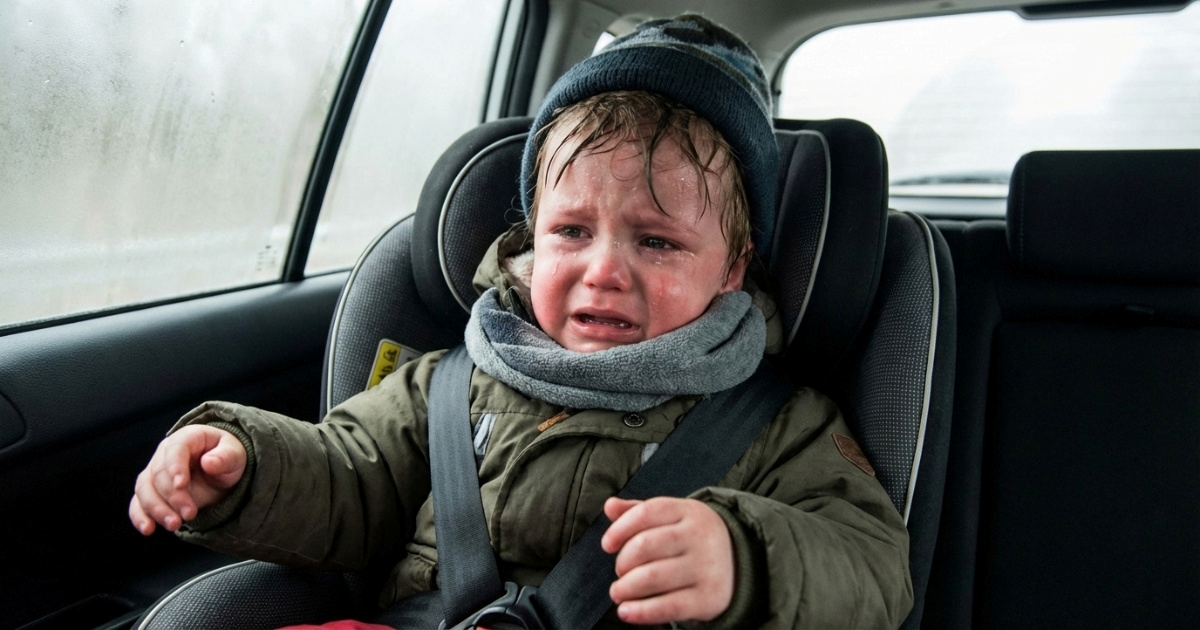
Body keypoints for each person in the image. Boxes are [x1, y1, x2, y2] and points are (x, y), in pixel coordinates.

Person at [129, 14, 913, 628]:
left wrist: (743, 562)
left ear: (733, 268)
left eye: (656, 241)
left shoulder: (777, 423)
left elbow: (872, 569)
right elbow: (349, 477)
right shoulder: (448, 384)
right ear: (531, 239)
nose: (603, 271)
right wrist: (244, 467)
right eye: (571, 231)